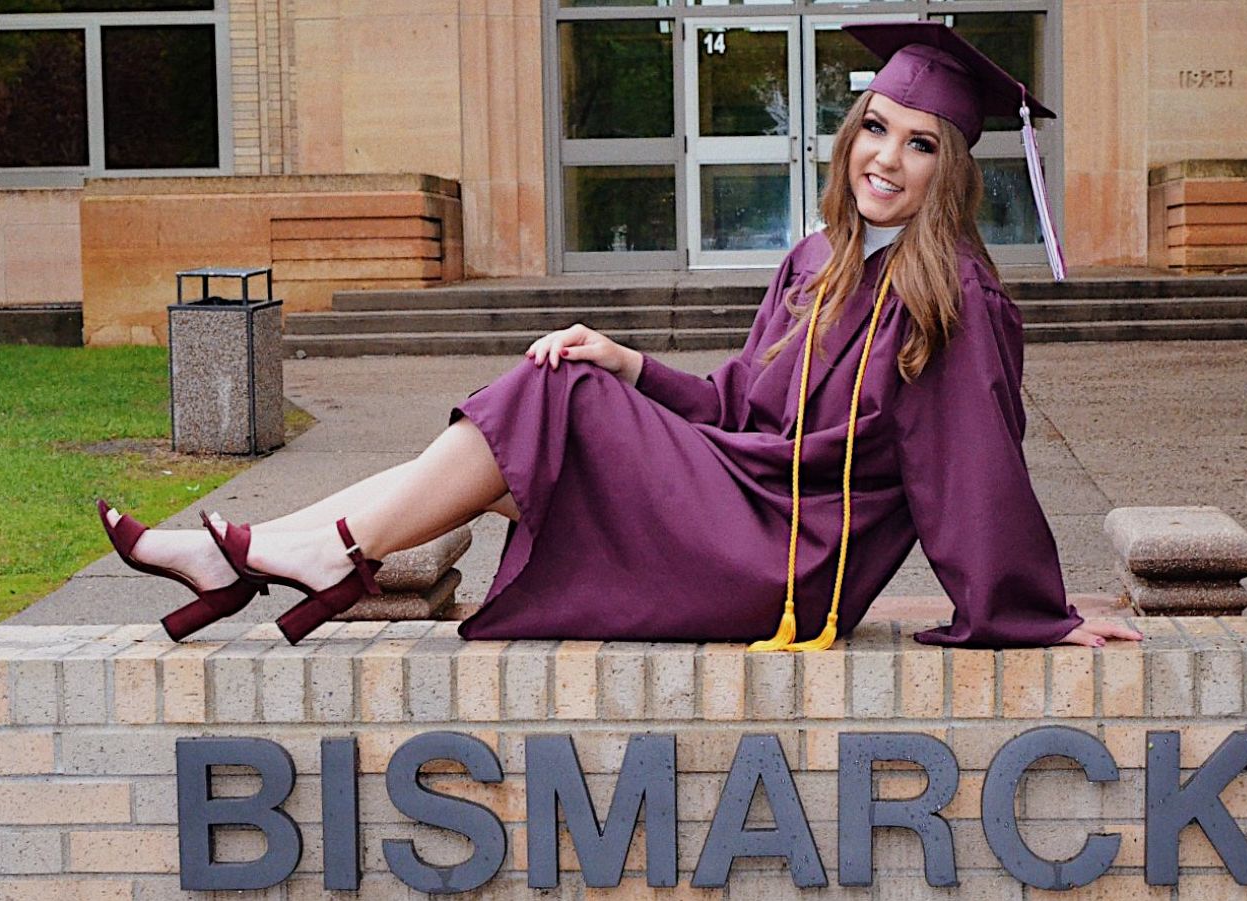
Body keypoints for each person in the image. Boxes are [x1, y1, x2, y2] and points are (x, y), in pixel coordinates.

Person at [98, 21, 1143, 652]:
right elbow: (741, 406)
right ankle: (264, 552)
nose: (887, 158)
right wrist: (629, 360)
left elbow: (972, 477)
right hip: (740, 495)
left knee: (552, 406)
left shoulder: (951, 298)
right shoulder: (817, 263)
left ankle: (290, 555)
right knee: (552, 394)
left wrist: (1032, 611)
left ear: (950, 169)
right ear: (849, 134)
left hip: (786, 560)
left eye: (920, 145)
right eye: (875, 127)